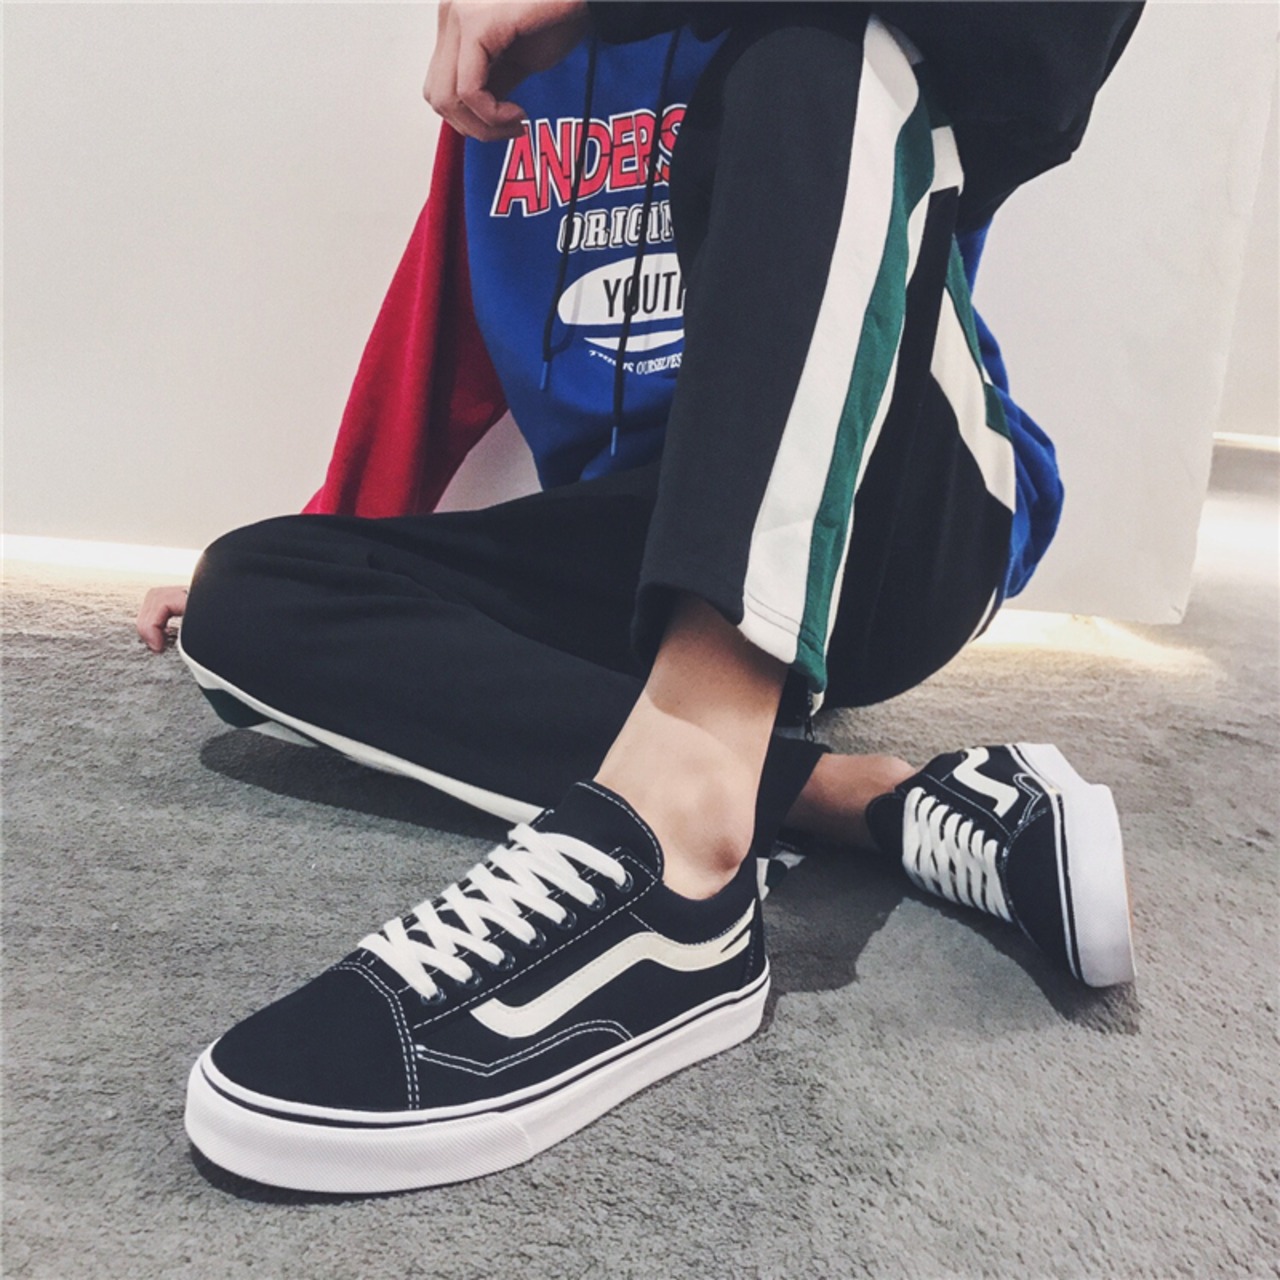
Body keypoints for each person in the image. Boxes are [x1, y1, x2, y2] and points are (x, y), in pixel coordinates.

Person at [150, 1, 1143, 1194]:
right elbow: (438, 349)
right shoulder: (511, 86)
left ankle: (681, 857)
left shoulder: (816, 56)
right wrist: (332, 542)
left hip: (891, 518)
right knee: (246, 590)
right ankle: (850, 797)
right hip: (656, 545)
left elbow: (1050, 44)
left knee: (813, 46)